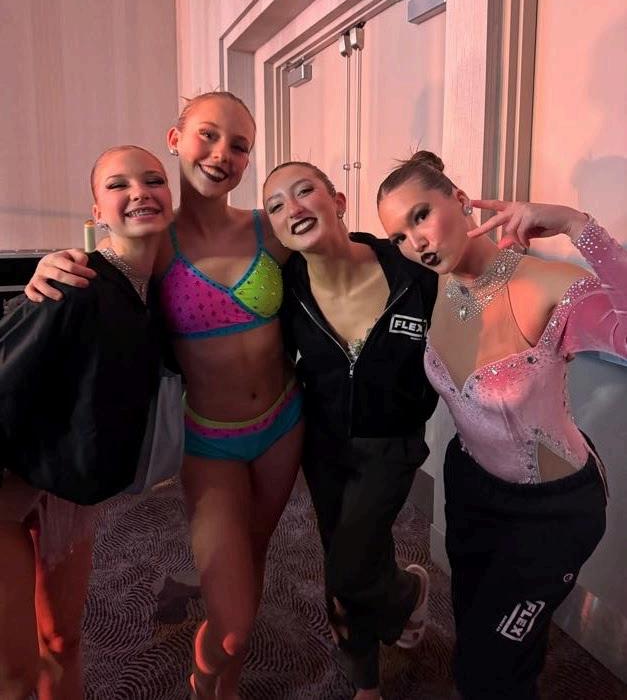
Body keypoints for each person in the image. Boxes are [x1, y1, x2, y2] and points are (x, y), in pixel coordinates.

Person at [24, 92, 304, 700]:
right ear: (175, 140)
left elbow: (346, 256)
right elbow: (101, 272)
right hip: (209, 440)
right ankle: (207, 677)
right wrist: (48, 268)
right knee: (233, 624)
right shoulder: (155, 239)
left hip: (283, 424)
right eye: (208, 135)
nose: (222, 153)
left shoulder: (269, 228)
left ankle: (226, 686)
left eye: (239, 145)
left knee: (254, 557)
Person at [376, 151, 626, 700]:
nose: (416, 242)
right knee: (475, 628)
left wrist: (576, 225)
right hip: (470, 488)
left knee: (488, 670)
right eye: (399, 237)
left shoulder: (546, 285)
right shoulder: (435, 283)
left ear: (461, 200)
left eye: (421, 215)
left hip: (550, 515)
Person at [0, 145, 173, 700]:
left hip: (65, 485)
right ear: (97, 211)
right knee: (14, 676)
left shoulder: (160, 288)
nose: (140, 191)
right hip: (6, 491)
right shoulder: (72, 283)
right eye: (119, 185)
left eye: (153, 180)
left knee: (62, 639)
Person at [262, 161, 437, 700]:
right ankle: (365, 682)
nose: (293, 208)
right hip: (324, 444)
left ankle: (408, 591)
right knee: (343, 552)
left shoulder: (410, 269)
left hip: (393, 442)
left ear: (337, 201)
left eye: (304, 191)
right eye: (275, 206)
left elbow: (475, 288)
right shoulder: (284, 289)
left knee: (349, 565)